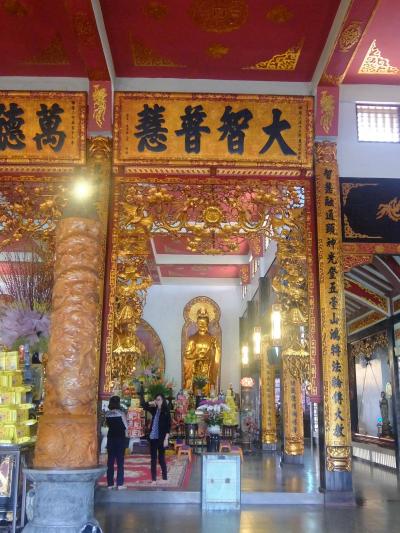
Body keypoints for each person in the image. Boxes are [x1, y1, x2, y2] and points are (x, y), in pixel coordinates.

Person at [183, 308, 220, 395]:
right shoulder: (192, 339)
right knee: (196, 393)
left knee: (207, 392)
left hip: (207, 370)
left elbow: (217, 354)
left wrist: (213, 351)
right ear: (197, 324)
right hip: (196, 371)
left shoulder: (212, 339)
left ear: (208, 323)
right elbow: (186, 355)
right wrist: (197, 356)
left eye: (204, 323)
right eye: (200, 323)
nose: (202, 326)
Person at [140, 391, 171, 483]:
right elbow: (143, 405)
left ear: (163, 400)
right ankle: (153, 479)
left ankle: (164, 477)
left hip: (161, 438)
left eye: (159, 400)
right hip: (153, 437)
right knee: (153, 460)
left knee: (161, 459)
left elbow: (168, 426)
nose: (158, 401)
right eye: (156, 400)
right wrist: (151, 402)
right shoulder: (154, 409)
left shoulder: (166, 411)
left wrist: (166, 439)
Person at [105, 395, 128, 490]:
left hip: (110, 438)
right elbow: (126, 426)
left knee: (110, 462)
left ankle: (110, 484)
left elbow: (107, 425)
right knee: (120, 462)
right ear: (118, 403)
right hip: (120, 439)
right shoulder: (121, 413)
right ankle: (120, 484)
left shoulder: (107, 414)